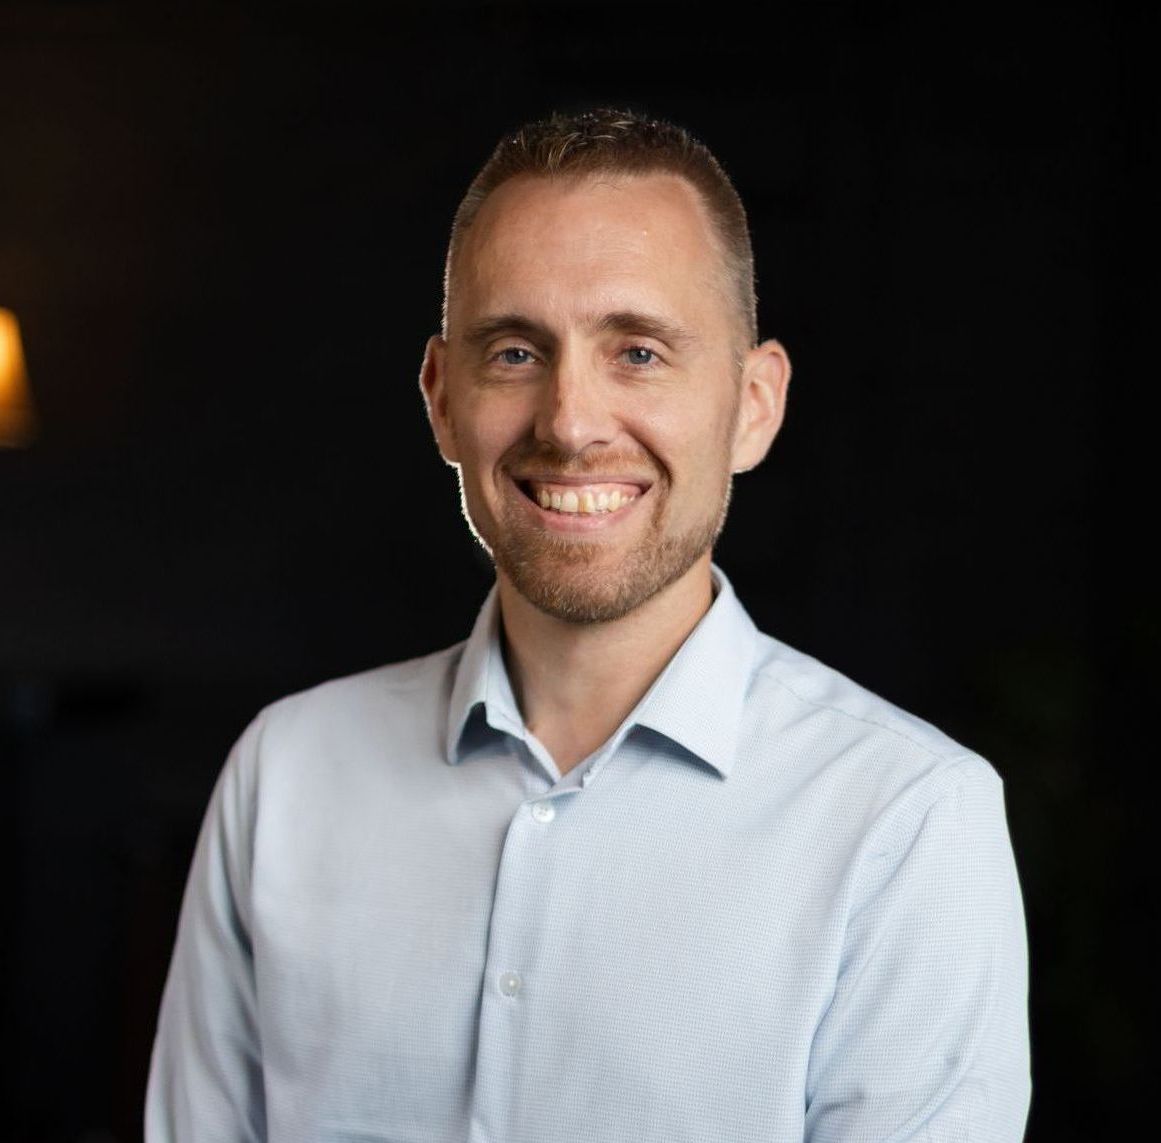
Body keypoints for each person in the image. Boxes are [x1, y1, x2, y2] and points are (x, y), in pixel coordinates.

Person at [146, 108, 1030, 1142]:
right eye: (516, 351)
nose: (569, 423)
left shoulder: (909, 823)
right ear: (441, 398)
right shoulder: (283, 776)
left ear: (753, 404)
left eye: (640, 353)